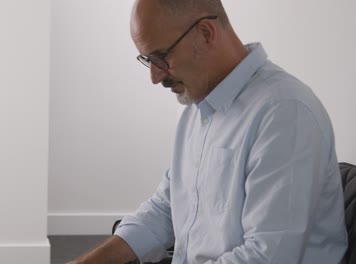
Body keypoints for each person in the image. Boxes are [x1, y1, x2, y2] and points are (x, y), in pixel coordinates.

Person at [68, 0, 348, 263]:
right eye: (147, 60)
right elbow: (165, 209)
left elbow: (267, 256)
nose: (154, 76)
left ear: (205, 33)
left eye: (161, 57)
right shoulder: (197, 108)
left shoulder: (285, 113)